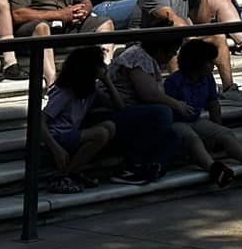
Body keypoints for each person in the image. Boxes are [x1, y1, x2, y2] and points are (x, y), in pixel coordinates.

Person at [37, 44, 175, 191]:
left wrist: (107, 81)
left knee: (109, 126)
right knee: (102, 132)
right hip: (56, 138)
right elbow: (40, 120)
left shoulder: (90, 90)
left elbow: (119, 107)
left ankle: (69, 173)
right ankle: (64, 175)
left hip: (72, 135)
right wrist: (55, 147)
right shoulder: (64, 91)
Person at [163, 39, 242, 183]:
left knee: (224, 133)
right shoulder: (173, 82)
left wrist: (217, 127)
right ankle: (215, 169)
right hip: (175, 122)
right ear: (198, 62)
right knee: (191, 138)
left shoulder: (207, 79)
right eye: (209, 62)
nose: (213, 65)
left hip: (194, 120)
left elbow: (213, 104)